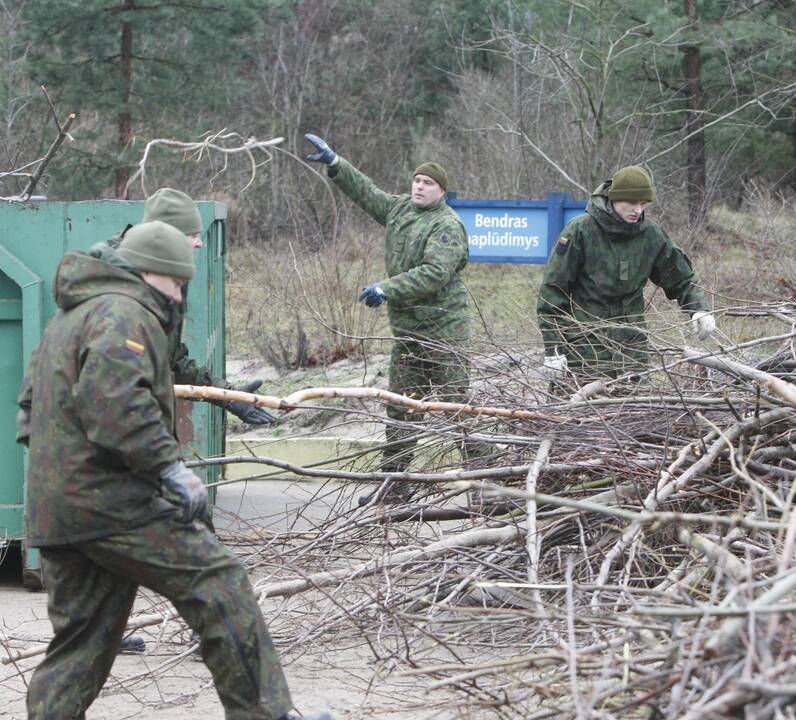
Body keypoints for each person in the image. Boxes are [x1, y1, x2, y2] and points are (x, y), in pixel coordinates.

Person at [15, 222, 329, 720]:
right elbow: (115, 405)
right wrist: (168, 468)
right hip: (111, 502)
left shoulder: (73, 314)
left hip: (59, 508)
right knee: (217, 579)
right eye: (176, 284)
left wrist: (62, 480)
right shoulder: (124, 312)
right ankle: (264, 713)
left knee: (83, 643)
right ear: (149, 273)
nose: (179, 296)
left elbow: (28, 409)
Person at [304, 134, 472, 488]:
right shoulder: (399, 209)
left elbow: (434, 274)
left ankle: (492, 486)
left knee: (459, 410)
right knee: (400, 409)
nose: (420, 187)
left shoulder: (447, 225)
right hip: (409, 334)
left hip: (444, 335)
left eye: (428, 183)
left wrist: (386, 288)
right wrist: (336, 163)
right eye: (417, 180)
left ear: (441, 191)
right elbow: (366, 193)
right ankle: (394, 487)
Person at [102, 188, 274, 425]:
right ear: (167, 236)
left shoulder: (165, 278)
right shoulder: (115, 287)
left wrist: (228, 395)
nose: (200, 243)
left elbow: (170, 359)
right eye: (193, 235)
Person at [536, 165, 715, 386]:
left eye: (642, 203)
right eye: (631, 202)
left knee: (633, 415)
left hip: (632, 350)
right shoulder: (580, 232)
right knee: (578, 414)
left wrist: (699, 309)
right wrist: (553, 350)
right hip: (584, 349)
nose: (637, 210)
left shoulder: (651, 235)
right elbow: (552, 293)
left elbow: (681, 279)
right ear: (613, 199)